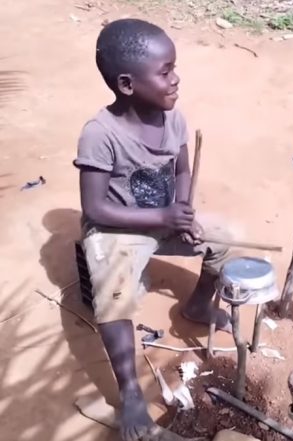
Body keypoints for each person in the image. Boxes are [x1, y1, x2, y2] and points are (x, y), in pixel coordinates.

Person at [74, 18, 231, 441]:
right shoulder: (100, 134)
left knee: (226, 239)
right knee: (113, 295)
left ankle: (198, 305)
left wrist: (182, 209)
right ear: (127, 84)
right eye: (165, 72)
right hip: (118, 225)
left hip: (164, 218)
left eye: (173, 67)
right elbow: (95, 207)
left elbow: (182, 168)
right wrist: (162, 219)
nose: (176, 78)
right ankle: (129, 394)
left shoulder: (173, 117)